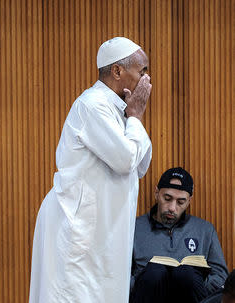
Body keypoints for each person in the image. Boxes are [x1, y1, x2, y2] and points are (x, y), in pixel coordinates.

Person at [29, 37, 153, 302]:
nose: (147, 79)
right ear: (117, 71)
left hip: (106, 231)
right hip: (77, 231)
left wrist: (134, 117)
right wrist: (137, 118)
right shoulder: (92, 105)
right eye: (141, 71)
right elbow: (126, 160)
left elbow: (142, 165)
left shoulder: (123, 110)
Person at [130, 167, 228, 303]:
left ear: (189, 201)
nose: (172, 207)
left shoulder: (205, 229)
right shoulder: (134, 228)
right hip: (148, 295)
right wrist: (141, 283)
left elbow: (221, 275)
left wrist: (200, 285)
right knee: (155, 272)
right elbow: (119, 274)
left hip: (191, 296)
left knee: (185, 274)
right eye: (167, 198)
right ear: (156, 193)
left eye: (180, 202)